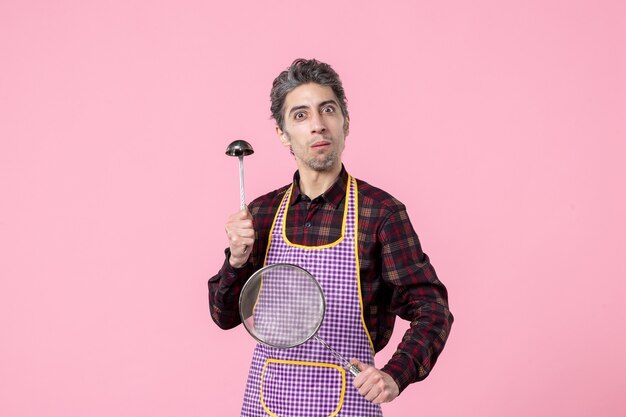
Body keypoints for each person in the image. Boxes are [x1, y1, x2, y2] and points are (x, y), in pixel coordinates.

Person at [209, 58, 453, 416]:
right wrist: (237, 259)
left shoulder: (380, 213)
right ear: (282, 133)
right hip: (266, 405)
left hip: (348, 405)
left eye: (328, 110)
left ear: (345, 122)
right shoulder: (260, 214)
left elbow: (433, 310)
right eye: (301, 115)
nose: (318, 125)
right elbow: (225, 315)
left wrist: (395, 375)